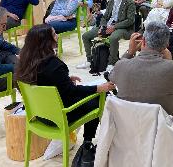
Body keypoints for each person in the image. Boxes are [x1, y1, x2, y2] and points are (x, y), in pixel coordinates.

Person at [15, 24, 114, 158]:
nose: (57, 37)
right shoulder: (54, 65)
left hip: (38, 115)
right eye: (55, 34)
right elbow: (72, 91)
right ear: (47, 41)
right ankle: (87, 142)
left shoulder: (25, 62)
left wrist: (64, 79)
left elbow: (44, 81)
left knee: (96, 93)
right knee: (101, 96)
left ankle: (88, 141)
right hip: (60, 117)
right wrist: (98, 88)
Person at [79, 0, 135, 70]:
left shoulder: (129, 2)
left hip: (123, 27)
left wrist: (114, 27)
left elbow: (130, 20)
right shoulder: (111, 1)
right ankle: (89, 61)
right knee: (86, 36)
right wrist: (102, 26)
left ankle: (112, 62)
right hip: (108, 25)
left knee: (113, 38)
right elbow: (105, 17)